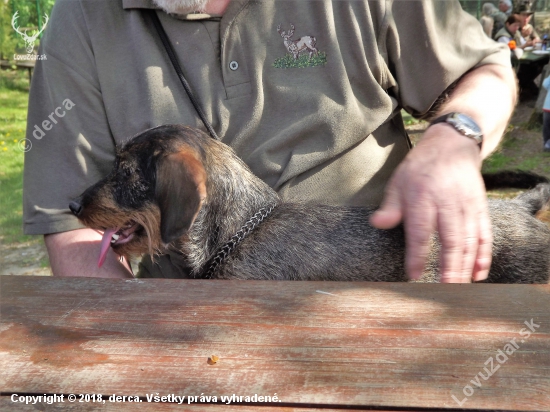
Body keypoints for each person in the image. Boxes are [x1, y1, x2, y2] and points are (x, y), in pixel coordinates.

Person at [23, 0, 517, 283]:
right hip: (191, 324)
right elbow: (75, 232)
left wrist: (457, 136)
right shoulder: (80, 20)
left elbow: (485, 70)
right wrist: (149, 359)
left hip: (398, 293)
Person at [541, 76, 550, 152]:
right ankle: (547, 144)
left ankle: (546, 144)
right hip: (547, 107)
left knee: (546, 126)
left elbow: (545, 84)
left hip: (548, 106)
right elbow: (545, 84)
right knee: (546, 126)